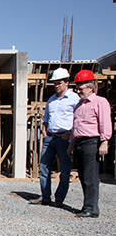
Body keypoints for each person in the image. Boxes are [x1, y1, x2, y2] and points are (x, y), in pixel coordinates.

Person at [30, 68, 79, 207]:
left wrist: (70, 134)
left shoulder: (74, 99)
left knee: (64, 169)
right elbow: (47, 116)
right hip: (50, 138)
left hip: (65, 138)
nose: (57, 85)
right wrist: (44, 126)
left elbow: (78, 119)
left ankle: (59, 198)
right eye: (55, 83)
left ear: (67, 83)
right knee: (44, 167)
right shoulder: (51, 100)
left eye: (59, 83)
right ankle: (45, 197)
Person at [66, 70, 113, 218]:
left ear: (90, 87)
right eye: (77, 88)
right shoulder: (79, 105)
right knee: (83, 175)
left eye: (81, 88)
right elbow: (76, 126)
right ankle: (87, 205)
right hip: (80, 142)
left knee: (90, 176)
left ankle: (92, 208)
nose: (78, 91)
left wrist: (104, 142)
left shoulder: (100, 102)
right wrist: (71, 144)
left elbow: (105, 123)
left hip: (91, 142)